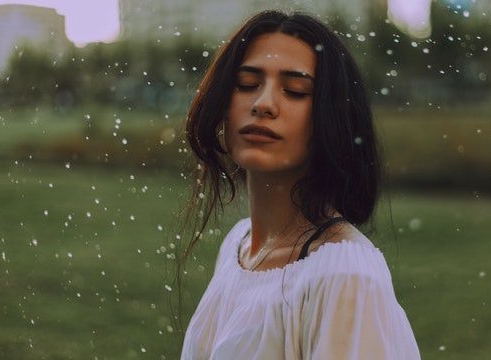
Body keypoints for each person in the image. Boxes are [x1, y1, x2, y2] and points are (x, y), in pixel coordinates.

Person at [179, 9, 421, 359]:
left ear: (331, 118)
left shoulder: (344, 275)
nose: (263, 104)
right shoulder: (239, 246)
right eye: (247, 84)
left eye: (295, 90)